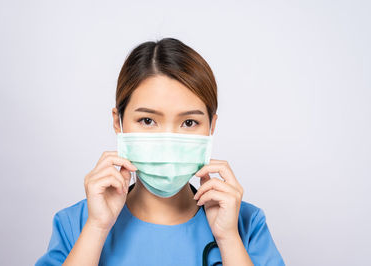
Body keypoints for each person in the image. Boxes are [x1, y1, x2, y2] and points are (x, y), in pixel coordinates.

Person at [35, 37, 285, 266]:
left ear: (212, 126)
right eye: (147, 120)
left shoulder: (246, 224)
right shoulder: (77, 223)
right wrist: (97, 227)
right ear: (117, 121)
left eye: (189, 123)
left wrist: (229, 239)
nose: (167, 142)